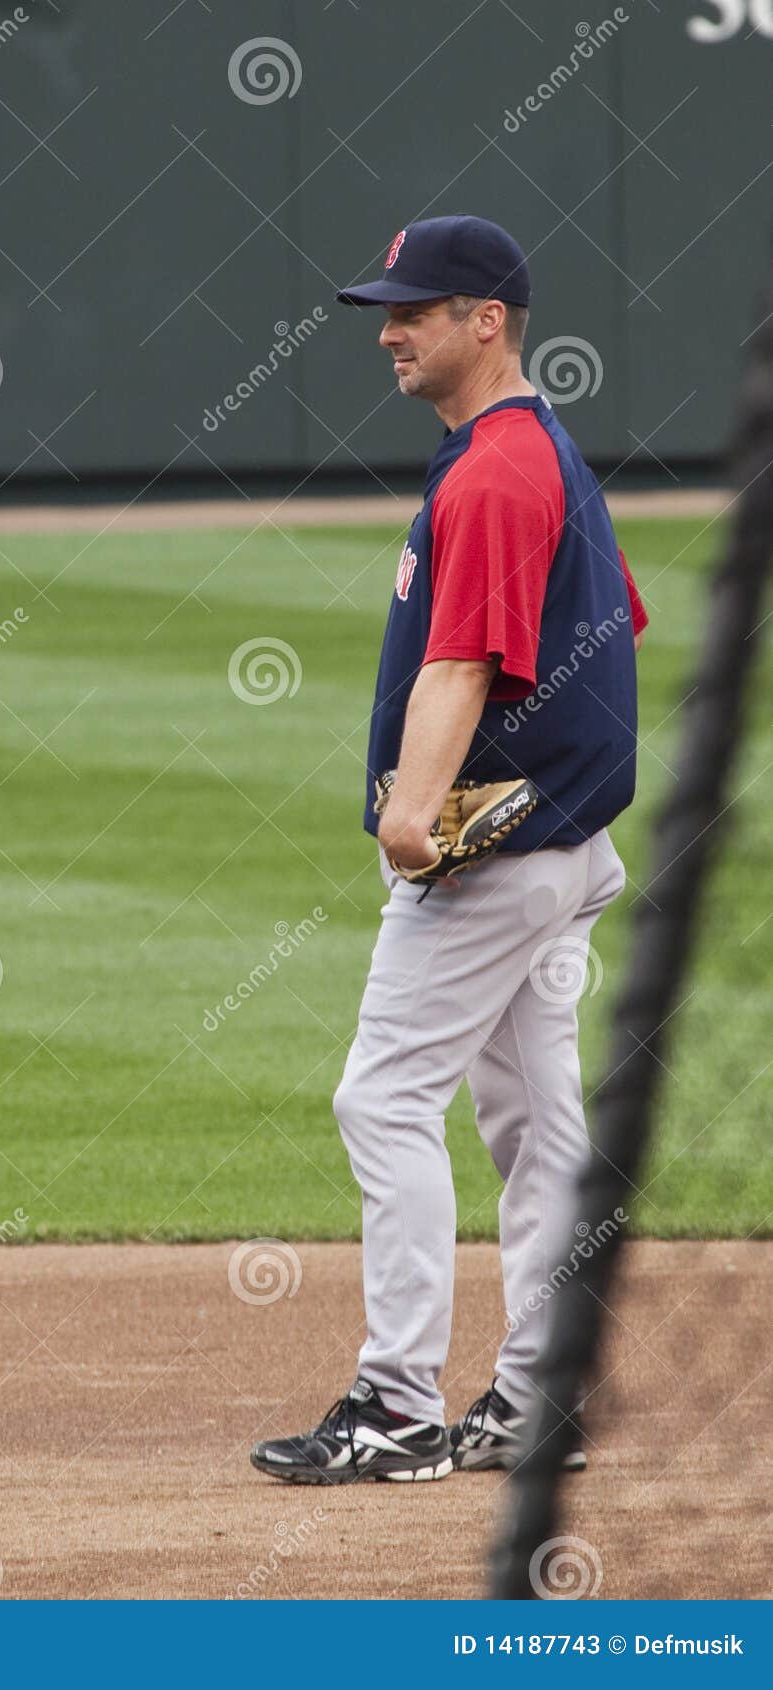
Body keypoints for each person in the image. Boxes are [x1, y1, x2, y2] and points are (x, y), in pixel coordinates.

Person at [250, 216, 648, 1485]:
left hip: (496, 860)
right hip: (561, 849)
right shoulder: (544, 457)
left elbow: (466, 658)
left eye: (413, 311)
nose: (389, 330)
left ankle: (395, 1400)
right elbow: (617, 620)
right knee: (535, 1120)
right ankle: (537, 1392)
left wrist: (415, 810)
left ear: (487, 320)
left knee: (380, 1099)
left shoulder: (492, 472)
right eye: (387, 307)